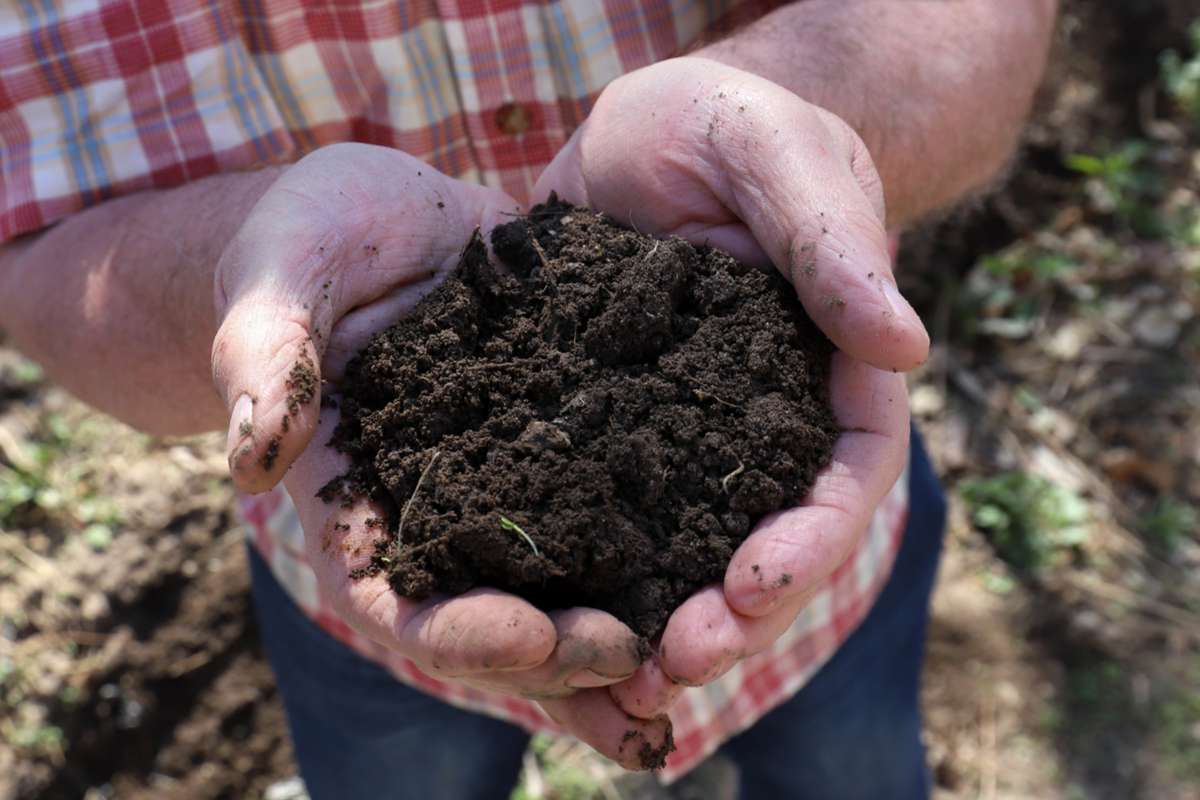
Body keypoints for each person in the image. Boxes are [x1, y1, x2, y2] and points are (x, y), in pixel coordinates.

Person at [0, 1, 1057, 797]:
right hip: (365, 574)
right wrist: (251, 269)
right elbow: (39, 244)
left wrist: (762, 118)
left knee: (849, 764)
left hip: (818, 547)